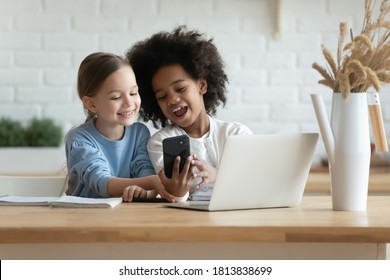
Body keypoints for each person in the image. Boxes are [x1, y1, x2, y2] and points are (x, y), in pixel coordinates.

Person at [126, 26, 253, 201]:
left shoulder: (237, 134)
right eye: (162, 97)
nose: (172, 100)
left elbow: (253, 183)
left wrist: (217, 175)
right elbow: (174, 200)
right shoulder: (159, 143)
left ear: (202, 86)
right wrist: (177, 191)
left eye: (180, 88)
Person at [65, 52, 173, 202]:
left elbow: (145, 171)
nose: (129, 102)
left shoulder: (139, 133)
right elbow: (102, 183)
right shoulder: (79, 138)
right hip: (86, 217)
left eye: (133, 92)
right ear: (91, 104)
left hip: (127, 216)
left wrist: (144, 192)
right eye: (116, 97)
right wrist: (152, 181)